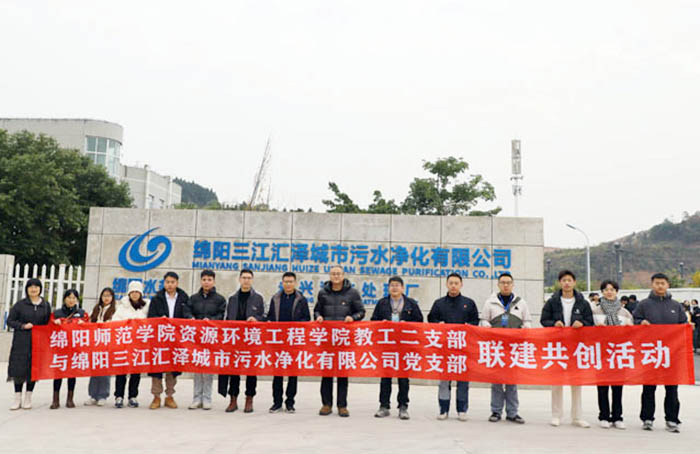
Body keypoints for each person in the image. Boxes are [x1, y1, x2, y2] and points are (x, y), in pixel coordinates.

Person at [633, 273, 687, 433]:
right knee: (649, 388)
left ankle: (672, 419)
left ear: (668, 285)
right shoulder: (643, 305)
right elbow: (635, 321)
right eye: (657, 283)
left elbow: (683, 324)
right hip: (650, 353)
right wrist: (640, 323)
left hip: (671, 354)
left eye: (663, 283)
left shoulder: (676, 306)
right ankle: (647, 418)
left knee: (672, 389)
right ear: (652, 285)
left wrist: (687, 328)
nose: (660, 286)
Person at [540, 270, 593, 428]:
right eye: (564, 280)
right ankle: (556, 415)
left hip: (576, 347)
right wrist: (554, 324)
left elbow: (590, 322)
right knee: (557, 382)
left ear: (574, 282)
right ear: (560, 283)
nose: (567, 283)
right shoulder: (552, 301)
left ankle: (577, 417)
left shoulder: (583, 303)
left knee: (576, 382)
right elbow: (544, 320)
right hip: (558, 346)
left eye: (569, 280)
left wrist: (582, 323)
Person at [314, 265, 365, 417]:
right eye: (333, 274)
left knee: (342, 373)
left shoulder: (352, 293)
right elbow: (317, 310)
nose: (336, 276)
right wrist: (318, 317)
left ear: (343, 275)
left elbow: (361, 312)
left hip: (344, 339)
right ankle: (326, 404)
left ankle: (342, 405)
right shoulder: (323, 293)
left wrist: (353, 318)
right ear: (330, 276)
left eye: (338, 274)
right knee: (327, 373)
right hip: (327, 339)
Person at [479, 272, 531, 424]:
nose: (506, 285)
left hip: (513, 348)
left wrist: (524, 329)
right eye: (503, 282)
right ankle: (496, 411)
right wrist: (488, 327)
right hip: (496, 348)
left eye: (508, 282)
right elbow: (484, 320)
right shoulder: (490, 302)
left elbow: (527, 321)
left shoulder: (521, 303)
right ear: (498, 284)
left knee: (511, 382)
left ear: (513, 285)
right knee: (496, 381)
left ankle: (512, 412)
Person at [428, 273, 479, 422]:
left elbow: (475, 321)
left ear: (461, 285)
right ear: (446, 284)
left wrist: (469, 326)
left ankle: (462, 410)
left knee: (463, 380)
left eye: (456, 283)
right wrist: (438, 324)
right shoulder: (439, 303)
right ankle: (443, 409)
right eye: (451, 283)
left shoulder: (469, 303)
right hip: (444, 348)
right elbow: (431, 319)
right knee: (444, 380)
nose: (453, 286)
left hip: (463, 348)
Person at [371, 276, 423, 420]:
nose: (394, 288)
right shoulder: (382, 303)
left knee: (403, 378)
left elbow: (420, 321)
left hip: (404, 345)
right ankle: (384, 406)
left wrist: (407, 324)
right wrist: (381, 323)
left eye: (397, 285)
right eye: (392, 285)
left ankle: (403, 406)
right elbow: (373, 321)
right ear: (388, 288)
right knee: (385, 377)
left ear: (402, 288)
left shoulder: (411, 303)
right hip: (387, 345)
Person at [219, 269, 265, 413]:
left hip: (251, 340)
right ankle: (233, 399)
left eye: (249, 278)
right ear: (239, 279)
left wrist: (256, 319)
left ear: (252, 280)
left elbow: (264, 316)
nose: (246, 280)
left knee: (251, 371)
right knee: (234, 371)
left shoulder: (258, 298)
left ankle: (249, 399)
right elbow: (227, 319)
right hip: (235, 339)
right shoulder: (232, 298)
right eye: (244, 277)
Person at [266, 271, 311, 414]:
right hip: (278, 341)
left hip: (294, 341)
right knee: (277, 373)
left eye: (291, 281)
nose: (288, 284)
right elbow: (270, 316)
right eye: (286, 281)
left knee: (293, 373)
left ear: (295, 283)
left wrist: (295, 326)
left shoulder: (301, 299)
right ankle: (277, 402)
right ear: (282, 283)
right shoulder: (275, 298)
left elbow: (307, 319)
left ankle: (290, 403)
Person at [592, 280, 633, 429]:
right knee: (602, 387)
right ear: (602, 292)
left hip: (619, 353)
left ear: (617, 292)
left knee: (617, 387)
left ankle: (617, 416)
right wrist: (596, 329)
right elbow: (588, 332)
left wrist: (628, 330)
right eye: (606, 289)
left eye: (612, 289)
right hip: (602, 353)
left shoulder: (624, 312)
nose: (609, 292)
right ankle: (604, 416)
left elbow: (632, 334)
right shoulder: (595, 311)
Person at [184, 269, 226, 410]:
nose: (206, 282)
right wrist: (191, 318)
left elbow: (222, 315)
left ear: (213, 281)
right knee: (197, 367)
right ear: (201, 281)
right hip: (196, 338)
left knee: (208, 368)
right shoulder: (193, 298)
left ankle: (207, 398)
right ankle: (196, 398)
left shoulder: (220, 299)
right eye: (204, 279)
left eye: (209, 280)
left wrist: (211, 320)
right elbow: (187, 311)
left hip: (211, 338)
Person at [7, 278, 52, 410]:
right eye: (31, 287)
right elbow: (10, 321)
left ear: (40, 289)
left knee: (33, 369)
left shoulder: (45, 305)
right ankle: (17, 398)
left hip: (38, 343)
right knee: (18, 368)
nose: (33, 289)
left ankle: (28, 397)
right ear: (27, 289)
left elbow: (48, 323)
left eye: (36, 287)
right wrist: (22, 326)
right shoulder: (20, 305)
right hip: (21, 341)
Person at [147, 271, 189, 409]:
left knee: (173, 368)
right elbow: (150, 317)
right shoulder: (157, 298)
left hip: (176, 339)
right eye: (167, 282)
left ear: (177, 283)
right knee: (157, 368)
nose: (170, 285)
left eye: (172, 282)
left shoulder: (184, 298)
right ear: (164, 283)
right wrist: (160, 320)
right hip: (160, 339)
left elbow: (187, 316)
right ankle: (156, 397)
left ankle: (169, 396)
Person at [112, 280, 150, 408]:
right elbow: (115, 321)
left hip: (139, 344)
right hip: (124, 344)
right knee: (121, 371)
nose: (134, 294)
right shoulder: (122, 306)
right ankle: (119, 396)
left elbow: (150, 322)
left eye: (137, 292)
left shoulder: (146, 306)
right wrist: (128, 323)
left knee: (136, 371)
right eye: (132, 291)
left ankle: (133, 396)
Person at [49, 289, 89, 409]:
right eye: (69, 297)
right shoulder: (56, 313)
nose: (71, 300)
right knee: (58, 374)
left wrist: (84, 324)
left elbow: (89, 327)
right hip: (60, 348)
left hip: (75, 348)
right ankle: (55, 400)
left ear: (77, 299)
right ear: (64, 299)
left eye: (74, 298)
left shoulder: (82, 313)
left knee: (72, 374)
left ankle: (70, 399)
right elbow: (48, 327)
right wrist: (54, 323)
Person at [84, 287, 116, 406]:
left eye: (109, 296)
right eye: (104, 295)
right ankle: (93, 395)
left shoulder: (115, 311)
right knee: (94, 370)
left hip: (108, 344)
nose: (106, 298)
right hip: (95, 343)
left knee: (105, 371)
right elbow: (89, 323)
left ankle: (103, 395)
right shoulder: (96, 309)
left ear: (112, 298)